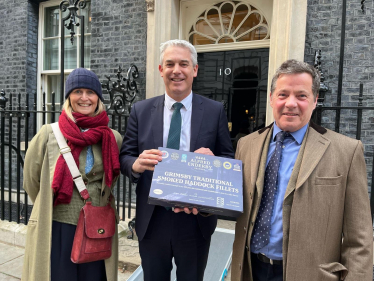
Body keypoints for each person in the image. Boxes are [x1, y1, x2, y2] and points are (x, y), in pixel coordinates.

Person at [232, 59, 373, 281]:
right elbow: (232, 200)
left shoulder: (347, 151)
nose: (290, 103)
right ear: (271, 98)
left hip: (312, 274)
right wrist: (200, 196)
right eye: (283, 94)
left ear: (315, 100)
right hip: (251, 268)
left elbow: (360, 238)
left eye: (301, 95)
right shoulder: (246, 144)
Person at [119, 39, 234, 281]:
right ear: (161, 70)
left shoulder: (214, 111)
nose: (176, 70)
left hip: (196, 220)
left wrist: (213, 162)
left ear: (195, 70)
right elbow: (125, 157)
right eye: (169, 64)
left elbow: (227, 159)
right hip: (153, 219)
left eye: (184, 64)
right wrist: (136, 165)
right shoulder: (141, 110)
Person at [22, 68, 123, 281]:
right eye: (78, 91)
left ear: (98, 98)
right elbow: (32, 181)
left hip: (97, 227)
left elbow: (111, 181)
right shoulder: (49, 134)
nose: (84, 98)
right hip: (58, 227)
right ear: (69, 97)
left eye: (90, 92)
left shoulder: (112, 138)